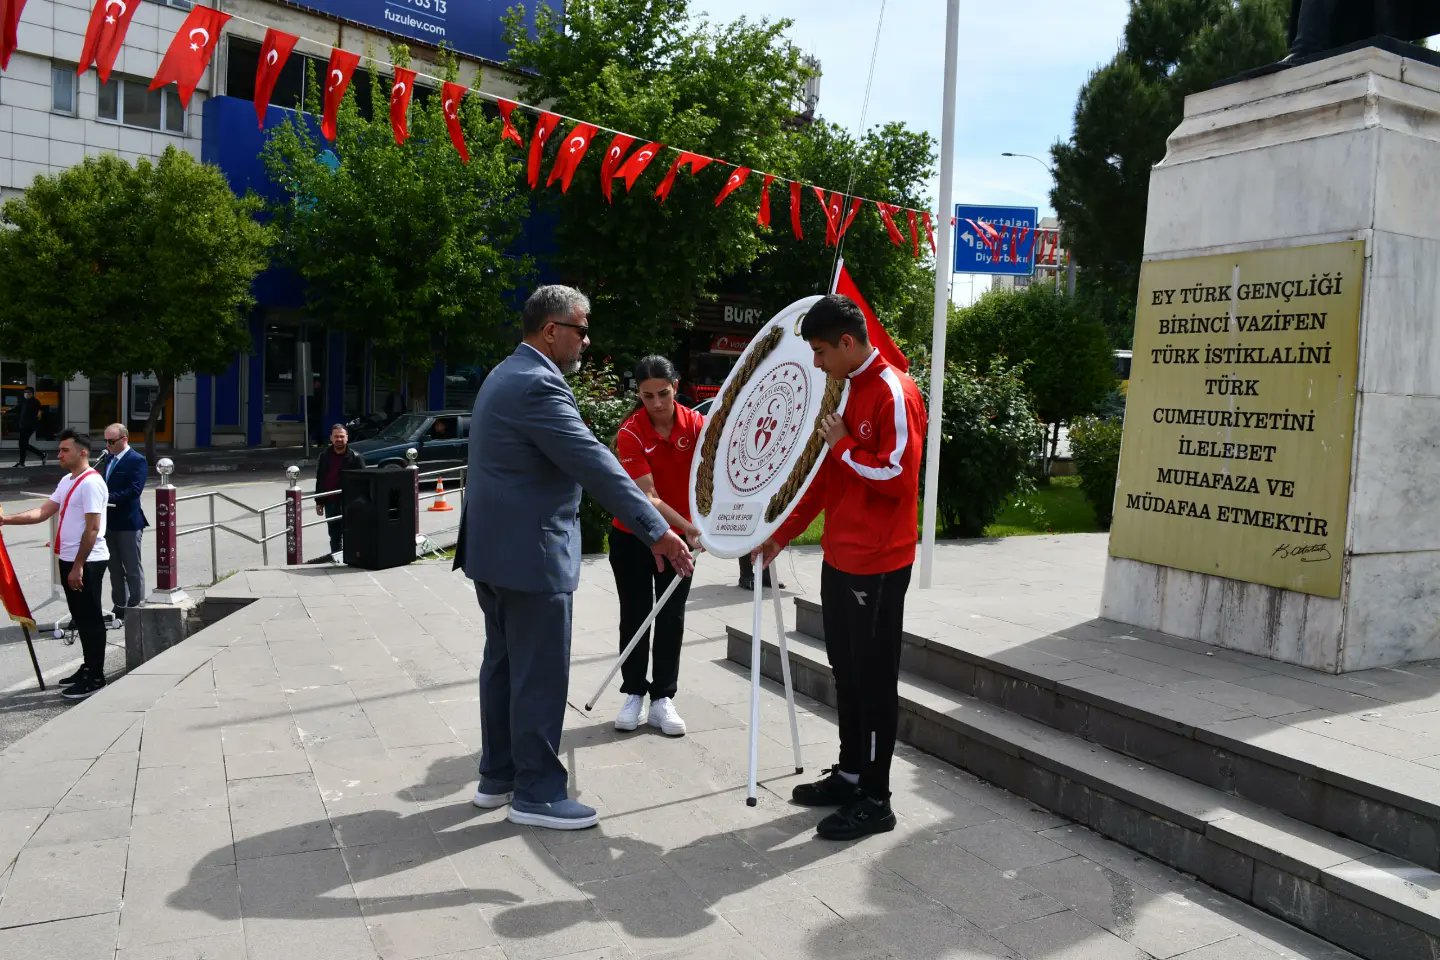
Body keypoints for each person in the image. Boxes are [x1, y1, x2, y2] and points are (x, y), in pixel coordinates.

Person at [455, 284, 693, 831]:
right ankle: (536, 793)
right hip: (529, 556)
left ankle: (499, 777)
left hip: (494, 552)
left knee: (504, 667)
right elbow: (595, 464)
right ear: (551, 330)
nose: (587, 340)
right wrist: (656, 530)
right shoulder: (539, 384)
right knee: (537, 675)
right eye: (582, 329)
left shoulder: (504, 373)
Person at [755, 294, 926, 842]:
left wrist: (846, 444)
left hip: (877, 564)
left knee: (874, 682)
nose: (817, 361)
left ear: (848, 342)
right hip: (841, 557)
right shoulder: (850, 389)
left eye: (822, 350)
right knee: (846, 672)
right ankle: (851, 774)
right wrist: (782, 534)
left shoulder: (894, 392)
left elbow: (897, 477)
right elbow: (829, 478)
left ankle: (877, 797)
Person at [610, 356, 703, 737]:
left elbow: (713, 477)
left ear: (676, 386)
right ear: (639, 395)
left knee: (671, 615)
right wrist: (688, 528)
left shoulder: (698, 426)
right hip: (634, 535)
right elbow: (647, 497)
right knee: (635, 614)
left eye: (663, 394)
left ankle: (663, 697)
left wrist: (709, 526)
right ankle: (633, 691)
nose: (658, 404)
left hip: (681, 538)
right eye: (648, 396)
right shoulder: (630, 432)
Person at [0, 430, 111, 699]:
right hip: (69, 559)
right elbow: (43, 512)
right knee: (81, 617)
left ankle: (96, 676)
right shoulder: (68, 480)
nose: (59, 454)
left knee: (91, 618)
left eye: (65, 450)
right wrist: (5, 520)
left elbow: (93, 528)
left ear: (83, 452)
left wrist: (78, 566)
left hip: (87, 560)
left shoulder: (91, 483)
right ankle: (87, 666)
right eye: (59, 450)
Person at [97, 423, 148, 622]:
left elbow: (134, 491)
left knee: (132, 568)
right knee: (114, 568)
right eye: (106, 441)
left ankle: (136, 606)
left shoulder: (137, 460)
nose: (108, 445)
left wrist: (106, 497)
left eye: (111, 441)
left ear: (124, 439)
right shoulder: (107, 459)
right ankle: (119, 605)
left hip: (128, 523)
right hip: (108, 523)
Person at [315, 424, 365, 556]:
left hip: (349, 503)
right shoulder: (324, 456)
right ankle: (337, 558)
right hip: (330, 502)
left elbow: (364, 482)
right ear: (331, 438)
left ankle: (352, 557)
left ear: (347, 438)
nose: (339, 439)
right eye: (336, 436)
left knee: (351, 533)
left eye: (342, 436)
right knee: (334, 534)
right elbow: (320, 479)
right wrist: (319, 502)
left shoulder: (356, 457)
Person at [9, 387, 46, 468]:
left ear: (32, 393)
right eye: (25, 392)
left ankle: (22, 462)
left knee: (22, 444)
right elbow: (17, 408)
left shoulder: (35, 402)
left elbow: (38, 414)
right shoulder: (24, 401)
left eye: (29, 392)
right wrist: (6, 411)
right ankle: (41, 454)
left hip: (29, 426)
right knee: (23, 444)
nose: (27, 393)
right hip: (23, 426)